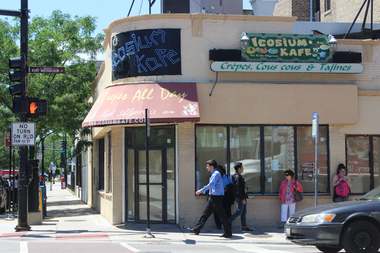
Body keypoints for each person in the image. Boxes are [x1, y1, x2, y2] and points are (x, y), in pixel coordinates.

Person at [187, 159, 232, 238]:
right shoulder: (213, 173)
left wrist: (201, 190)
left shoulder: (216, 174)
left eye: (207, 166)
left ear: (211, 166)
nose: (206, 167)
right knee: (205, 214)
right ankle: (197, 229)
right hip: (212, 197)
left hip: (216, 198)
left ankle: (228, 232)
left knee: (222, 215)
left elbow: (211, 184)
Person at [228, 162, 253, 232]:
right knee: (239, 212)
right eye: (242, 167)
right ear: (239, 169)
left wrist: (245, 188)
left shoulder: (239, 176)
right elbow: (238, 190)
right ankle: (226, 223)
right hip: (240, 197)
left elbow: (240, 188)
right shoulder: (237, 177)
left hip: (242, 196)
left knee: (243, 212)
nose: (243, 169)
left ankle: (244, 227)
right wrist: (242, 199)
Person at [213, 165, 233, 230]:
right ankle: (218, 225)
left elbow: (232, 185)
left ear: (222, 171)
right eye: (216, 170)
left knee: (227, 211)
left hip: (226, 195)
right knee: (217, 211)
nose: (218, 171)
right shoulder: (214, 177)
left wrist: (228, 188)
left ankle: (228, 225)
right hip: (217, 195)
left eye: (219, 170)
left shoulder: (226, 177)